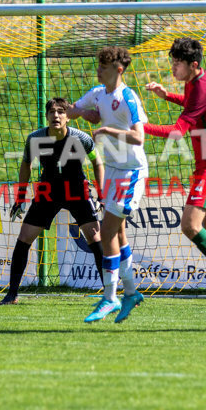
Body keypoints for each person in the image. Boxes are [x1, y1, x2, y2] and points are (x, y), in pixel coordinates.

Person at [143, 37, 206, 331]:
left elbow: (177, 132)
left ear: (194, 65)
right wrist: (168, 96)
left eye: (177, 63)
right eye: (172, 61)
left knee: (190, 225)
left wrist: (139, 127)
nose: (172, 67)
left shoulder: (200, 84)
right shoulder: (195, 81)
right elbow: (193, 105)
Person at [68, 46, 149, 323]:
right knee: (119, 233)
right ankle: (131, 293)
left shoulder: (128, 97)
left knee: (108, 231)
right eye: (98, 65)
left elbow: (139, 137)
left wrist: (106, 130)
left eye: (103, 66)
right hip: (114, 169)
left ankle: (110, 297)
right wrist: (70, 111)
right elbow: (86, 112)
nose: (98, 69)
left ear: (119, 69)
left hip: (131, 171)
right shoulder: (99, 93)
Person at [1, 97, 105, 305]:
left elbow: (97, 163)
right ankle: (12, 294)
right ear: (47, 116)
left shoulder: (81, 138)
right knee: (23, 240)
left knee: (95, 240)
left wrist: (102, 194)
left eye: (60, 112)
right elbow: (26, 165)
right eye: (52, 112)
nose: (56, 116)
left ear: (67, 117)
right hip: (48, 192)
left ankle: (110, 294)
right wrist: (20, 197)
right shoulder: (35, 138)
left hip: (77, 191)